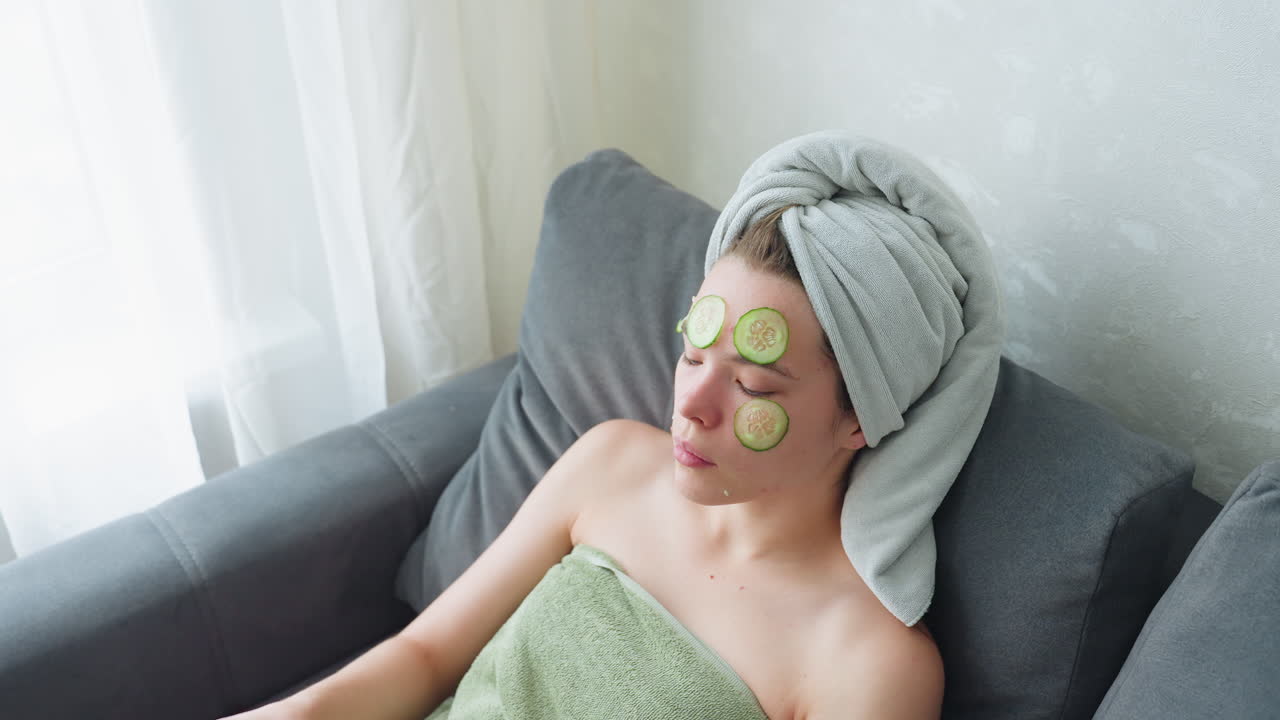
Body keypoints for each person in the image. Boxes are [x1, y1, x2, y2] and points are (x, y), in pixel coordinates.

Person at [224, 131, 1003, 720]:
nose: (691, 405)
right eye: (692, 353)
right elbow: (426, 655)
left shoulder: (868, 663)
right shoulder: (613, 462)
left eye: (753, 384)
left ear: (861, 420)